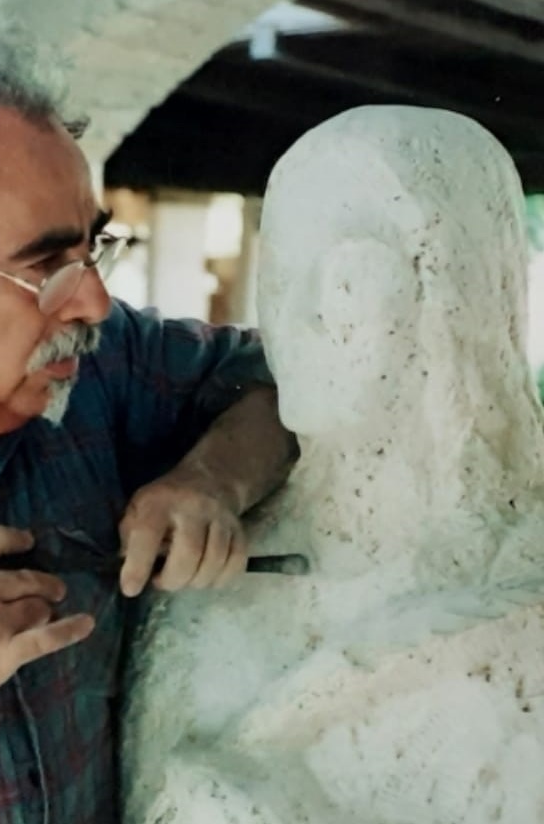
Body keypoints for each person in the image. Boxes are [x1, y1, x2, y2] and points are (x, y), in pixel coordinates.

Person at [0, 14, 298, 824]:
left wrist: (210, 478)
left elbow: (284, 376)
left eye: (94, 249)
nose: (94, 300)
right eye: (45, 263)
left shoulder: (99, 368)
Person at [122, 105, 544, 824]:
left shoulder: (522, 581)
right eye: (280, 273)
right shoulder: (210, 582)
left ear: (457, 292)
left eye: (349, 277)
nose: (301, 314)